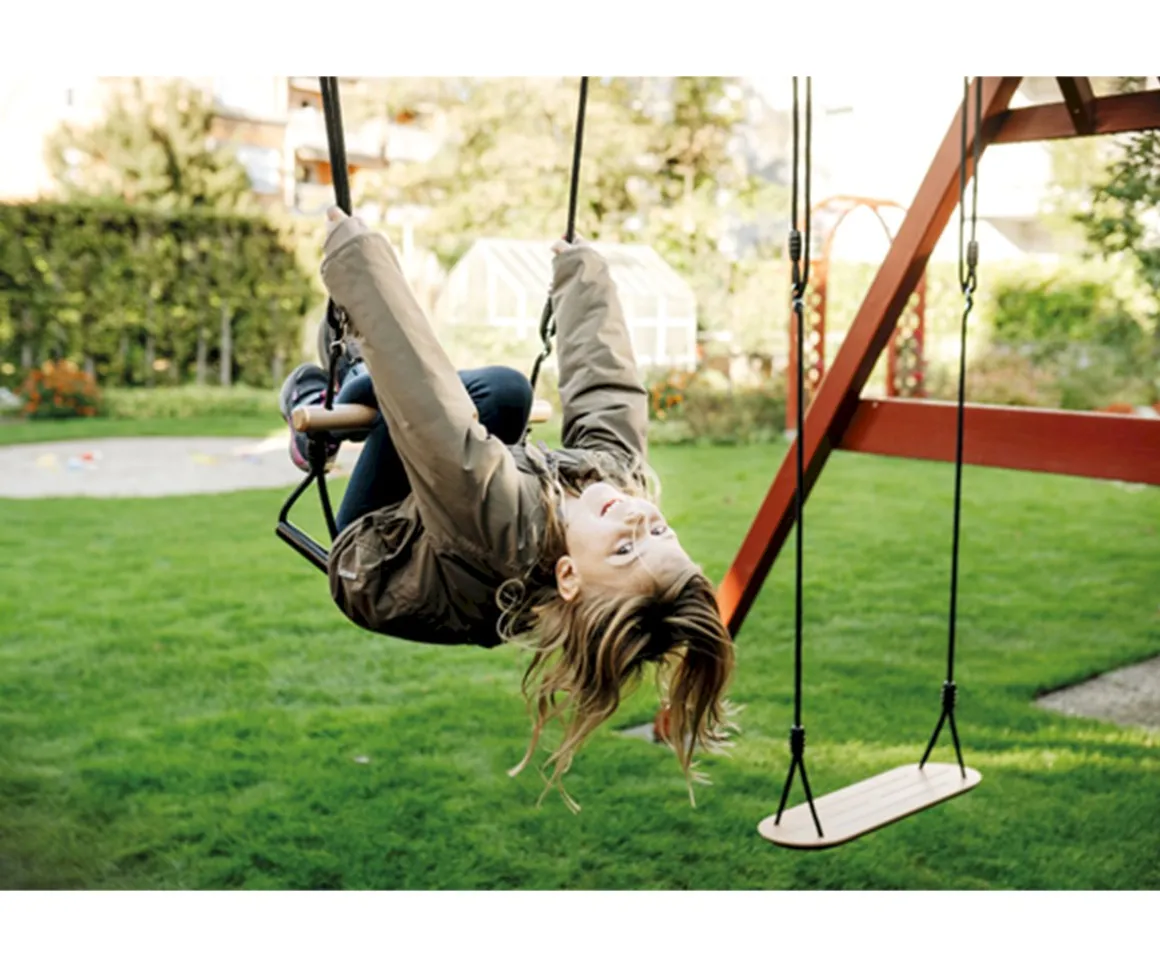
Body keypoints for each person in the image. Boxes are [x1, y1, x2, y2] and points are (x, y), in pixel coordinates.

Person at [278, 207, 737, 810]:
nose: (637, 518)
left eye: (626, 548)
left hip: (377, 556)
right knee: (504, 394)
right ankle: (354, 387)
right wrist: (582, 275)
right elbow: (608, 393)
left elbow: (430, 410)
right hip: (445, 531)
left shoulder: (507, 530)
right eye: (659, 531)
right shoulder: (616, 493)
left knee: (452, 403)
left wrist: (356, 257)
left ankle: (326, 400)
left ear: (568, 576)